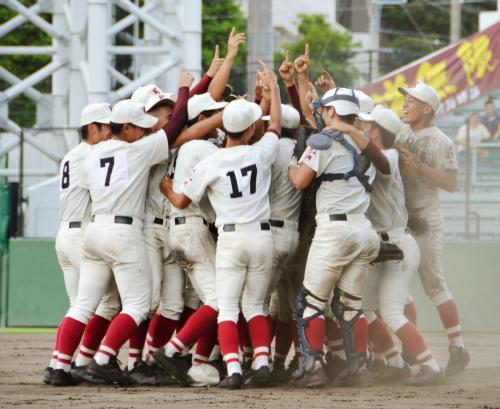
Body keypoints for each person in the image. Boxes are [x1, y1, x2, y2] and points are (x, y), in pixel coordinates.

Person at [159, 63, 282, 389]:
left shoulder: (210, 160)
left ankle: (234, 369)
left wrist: (167, 188)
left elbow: (182, 200)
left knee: (227, 308)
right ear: (251, 129)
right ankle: (262, 361)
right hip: (262, 235)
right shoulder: (260, 153)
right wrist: (275, 91)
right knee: (255, 305)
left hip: (230, 239)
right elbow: (276, 128)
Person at [288, 87, 381, 388]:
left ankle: (314, 367)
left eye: (324, 109)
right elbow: (382, 164)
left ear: (332, 112)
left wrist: (292, 164)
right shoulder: (367, 145)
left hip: (335, 231)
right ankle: (360, 369)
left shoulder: (323, 142)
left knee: (311, 303)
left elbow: (300, 181)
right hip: (364, 231)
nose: (319, 112)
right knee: (352, 306)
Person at [361, 105, 444, 386]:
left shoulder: (389, 156)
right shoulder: (382, 153)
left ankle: (430, 366)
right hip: (384, 246)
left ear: (376, 132)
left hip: (397, 244)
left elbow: (372, 155)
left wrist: (346, 128)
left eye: (367, 125)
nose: (363, 127)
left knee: (393, 312)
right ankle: (395, 362)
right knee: (364, 310)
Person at [397, 82, 469, 377]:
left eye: (411, 100)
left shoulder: (440, 140)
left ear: (428, 108)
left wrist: (421, 169)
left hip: (425, 216)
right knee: (397, 285)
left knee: (433, 285)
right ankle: (409, 348)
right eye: (405, 99)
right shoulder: (401, 132)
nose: (405, 104)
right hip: (401, 218)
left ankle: (457, 348)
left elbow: (451, 183)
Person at [47, 103, 121, 386]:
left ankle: (59, 363)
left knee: (78, 305)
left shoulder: (71, 155)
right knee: (107, 302)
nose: (111, 133)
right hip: (80, 236)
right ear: (92, 128)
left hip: (65, 235)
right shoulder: (92, 154)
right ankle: (78, 362)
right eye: (107, 127)